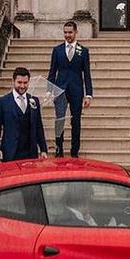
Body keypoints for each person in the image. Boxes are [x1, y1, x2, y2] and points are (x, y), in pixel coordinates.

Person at [47, 20, 93, 158]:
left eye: (70, 32)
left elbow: (87, 74)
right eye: (65, 32)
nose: (67, 35)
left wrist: (89, 94)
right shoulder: (57, 50)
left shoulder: (83, 51)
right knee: (59, 120)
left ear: (76, 32)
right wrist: (49, 91)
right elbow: (52, 72)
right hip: (60, 90)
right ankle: (58, 149)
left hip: (76, 90)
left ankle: (74, 151)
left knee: (76, 121)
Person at [0, 67, 48, 161]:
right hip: (10, 152)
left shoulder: (34, 101)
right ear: (13, 81)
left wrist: (43, 149)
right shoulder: (3, 102)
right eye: (19, 82)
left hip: (30, 153)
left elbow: (38, 126)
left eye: (25, 83)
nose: (22, 86)